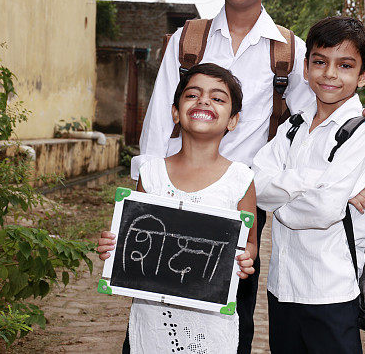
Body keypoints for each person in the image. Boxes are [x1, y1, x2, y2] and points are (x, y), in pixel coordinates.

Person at [130, 0, 365, 353]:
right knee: (156, 304)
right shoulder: (187, 40)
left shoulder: (290, 51)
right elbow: (159, 125)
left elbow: (320, 120)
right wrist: (145, 199)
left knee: (232, 315)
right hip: (175, 194)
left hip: (241, 201)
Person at [97, 63, 257, 354]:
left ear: (233, 120)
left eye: (218, 98)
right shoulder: (152, 173)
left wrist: (246, 259)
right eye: (192, 95)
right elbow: (136, 236)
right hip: (151, 322)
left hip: (211, 328)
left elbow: (252, 243)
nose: (204, 101)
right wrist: (114, 246)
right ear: (175, 112)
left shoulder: (241, 179)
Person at [252, 16, 365, 354]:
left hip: (331, 288)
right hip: (282, 285)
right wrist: (319, 182)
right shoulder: (293, 126)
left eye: (345, 65)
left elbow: (321, 210)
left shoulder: (362, 132)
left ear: (364, 74)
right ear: (306, 66)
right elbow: (257, 184)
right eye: (320, 62)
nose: (330, 73)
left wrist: (288, 194)